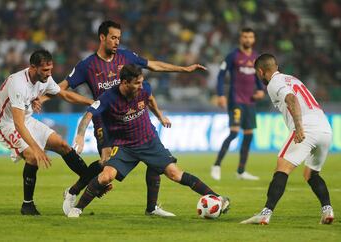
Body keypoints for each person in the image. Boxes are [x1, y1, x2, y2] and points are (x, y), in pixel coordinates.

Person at [40, 20, 207, 216]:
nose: (117, 41)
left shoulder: (126, 57)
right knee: (105, 163)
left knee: (147, 155)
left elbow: (153, 65)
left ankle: (150, 207)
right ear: (102, 37)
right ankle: (73, 191)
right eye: (113, 37)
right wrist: (42, 98)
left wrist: (184, 69)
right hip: (104, 121)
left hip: (130, 119)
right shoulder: (87, 65)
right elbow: (62, 86)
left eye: (119, 38)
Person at [66, 64, 230, 218]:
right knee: (106, 176)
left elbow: (150, 99)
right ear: (125, 83)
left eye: (142, 82)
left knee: (174, 173)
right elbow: (88, 115)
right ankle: (77, 208)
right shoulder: (108, 97)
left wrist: (159, 116)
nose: (141, 86)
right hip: (124, 146)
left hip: (148, 140)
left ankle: (218, 198)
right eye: (137, 83)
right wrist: (80, 135)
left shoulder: (144, 89)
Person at [0, 49, 95, 215]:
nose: (48, 74)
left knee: (62, 144)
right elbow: (18, 124)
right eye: (45, 70)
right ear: (33, 67)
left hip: (26, 118)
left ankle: (92, 181)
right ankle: (27, 205)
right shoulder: (18, 83)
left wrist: (93, 102)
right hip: (6, 124)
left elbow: (65, 95)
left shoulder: (44, 79)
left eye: (50, 69)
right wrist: (37, 148)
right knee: (32, 156)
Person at [241, 53, 334, 225]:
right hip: (325, 128)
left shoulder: (274, 83)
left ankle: (265, 213)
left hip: (307, 127)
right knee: (311, 174)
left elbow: (291, 99)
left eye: (257, 73)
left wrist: (299, 127)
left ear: (261, 71)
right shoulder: (292, 79)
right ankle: (327, 210)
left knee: (282, 168)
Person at [211, 27, 265, 181]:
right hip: (236, 100)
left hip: (250, 102)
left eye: (250, 37)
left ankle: (241, 171)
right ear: (241, 39)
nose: (247, 39)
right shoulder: (233, 56)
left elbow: (258, 78)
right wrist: (221, 95)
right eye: (245, 36)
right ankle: (216, 165)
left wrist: (261, 90)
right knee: (234, 133)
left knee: (249, 136)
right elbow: (221, 76)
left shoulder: (256, 57)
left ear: (253, 39)